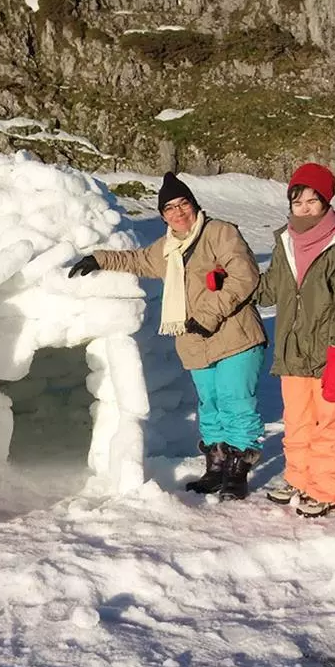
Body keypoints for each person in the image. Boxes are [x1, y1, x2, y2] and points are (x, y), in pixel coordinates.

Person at [68, 172, 268, 500]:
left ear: (194, 204)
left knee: (236, 402)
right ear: (163, 215)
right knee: (211, 405)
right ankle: (216, 468)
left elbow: (245, 276)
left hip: (235, 336)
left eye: (183, 204)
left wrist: (207, 315)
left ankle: (237, 472)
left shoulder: (220, 233)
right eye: (170, 208)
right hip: (195, 341)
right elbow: (136, 260)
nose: (178, 212)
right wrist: (100, 258)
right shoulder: (167, 248)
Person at [255, 164, 335, 517]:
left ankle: (328, 490)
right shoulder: (285, 242)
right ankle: (299, 478)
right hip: (293, 352)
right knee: (298, 421)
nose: (304, 208)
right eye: (297, 201)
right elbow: (268, 291)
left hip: (333, 354)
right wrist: (227, 280)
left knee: (331, 425)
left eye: (312, 201)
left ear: (326, 202)